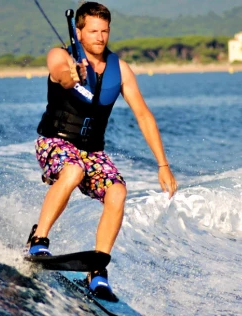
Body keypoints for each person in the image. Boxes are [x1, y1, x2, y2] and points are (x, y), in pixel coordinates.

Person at [26, 2, 177, 300]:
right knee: (73, 170)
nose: (99, 37)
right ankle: (38, 239)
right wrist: (72, 75)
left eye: (104, 31)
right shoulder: (61, 56)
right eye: (93, 31)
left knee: (118, 191)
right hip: (55, 142)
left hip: (92, 151)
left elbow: (144, 115)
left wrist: (163, 164)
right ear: (79, 32)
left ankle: (97, 270)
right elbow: (60, 73)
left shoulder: (119, 69)